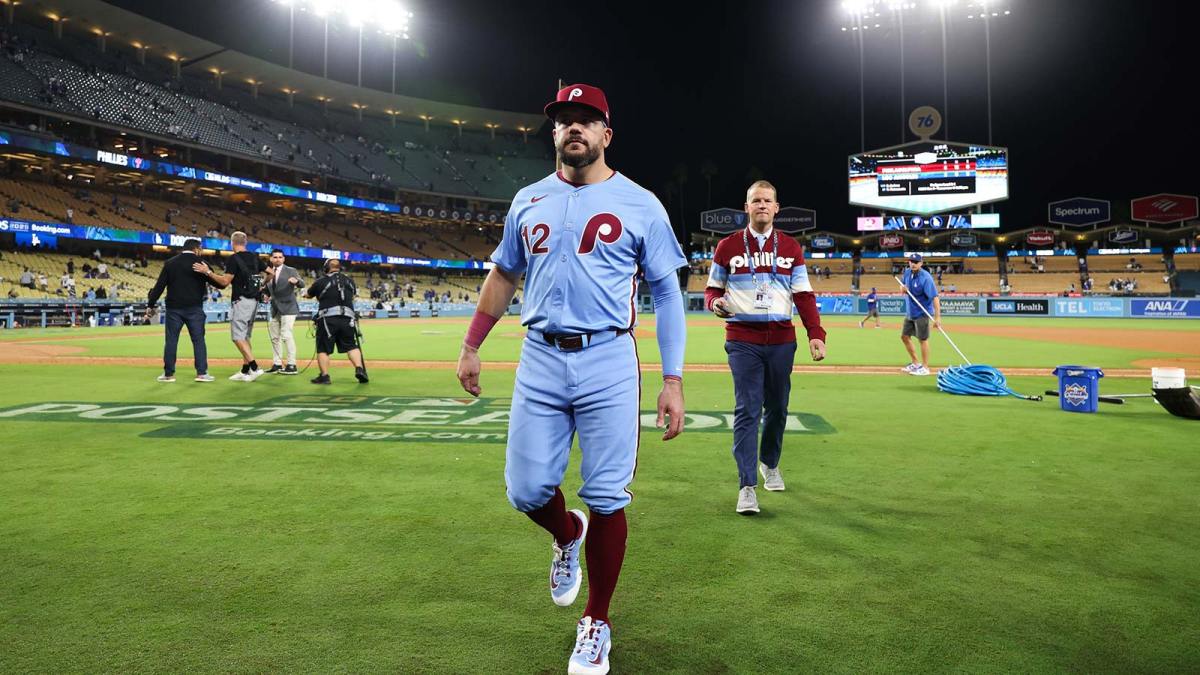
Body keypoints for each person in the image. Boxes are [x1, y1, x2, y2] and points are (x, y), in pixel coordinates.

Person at [454, 83, 686, 675]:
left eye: (587, 120)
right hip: (540, 357)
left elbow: (666, 292)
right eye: (564, 121)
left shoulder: (642, 202)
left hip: (609, 357)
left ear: (606, 134)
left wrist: (673, 378)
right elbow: (505, 276)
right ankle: (566, 533)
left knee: (609, 495)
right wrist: (471, 344)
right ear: (554, 134)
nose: (574, 129)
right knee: (526, 491)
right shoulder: (527, 199)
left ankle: (597, 620)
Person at [705, 181, 826, 515]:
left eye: (767, 200)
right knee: (747, 408)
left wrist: (816, 333)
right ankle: (746, 486)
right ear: (747, 207)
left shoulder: (790, 247)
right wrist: (716, 305)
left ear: (776, 207)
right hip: (743, 339)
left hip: (782, 341)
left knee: (778, 408)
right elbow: (712, 290)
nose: (761, 205)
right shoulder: (727, 246)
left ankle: (769, 463)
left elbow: (803, 295)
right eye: (755, 200)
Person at [192, 231, 268, 381]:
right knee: (245, 337)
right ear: (245, 242)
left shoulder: (234, 259)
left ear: (232, 243)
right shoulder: (254, 257)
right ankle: (245, 371)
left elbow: (224, 282)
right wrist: (260, 286)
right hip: (254, 301)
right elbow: (270, 272)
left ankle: (254, 367)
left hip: (241, 301)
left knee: (237, 337)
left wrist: (207, 272)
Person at [145, 239, 214, 383]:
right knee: (198, 340)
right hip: (194, 308)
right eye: (200, 249)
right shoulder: (201, 263)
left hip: (173, 308)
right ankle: (201, 373)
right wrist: (207, 271)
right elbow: (217, 282)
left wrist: (150, 304)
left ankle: (168, 374)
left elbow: (159, 286)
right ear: (196, 249)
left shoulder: (170, 263)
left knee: (171, 340)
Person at [305, 259, 367, 384]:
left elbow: (308, 295)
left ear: (326, 268)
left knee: (323, 349)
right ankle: (359, 369)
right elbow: (353, 296)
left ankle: (325, 376)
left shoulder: (320, 281)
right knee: (351, 345)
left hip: (328, 319)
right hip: (348, 318)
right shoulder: (350, 281)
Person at [263, 249, 304, 375]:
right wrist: (266, 294)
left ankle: (292, 364)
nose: (277, 259)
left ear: (284, 259)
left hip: (288, 308)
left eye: (280, 257)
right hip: (275, 308)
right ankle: (277, 364)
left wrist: (296, 282)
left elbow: (302, 283)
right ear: (271, 259)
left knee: (286, 335)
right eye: (275, 257)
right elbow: (268, 288)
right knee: (275, 338)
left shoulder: (290, 270)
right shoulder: (268, 272)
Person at [900, 253, 940, 376]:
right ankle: (915, 363)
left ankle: (925, 367)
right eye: (911, 261)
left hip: (922, 312)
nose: (913, 264)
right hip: (910, 312)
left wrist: (937, 318)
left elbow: (935, 298)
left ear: (921, 263)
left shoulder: (926, 278)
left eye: (916, 262)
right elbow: (902, 287)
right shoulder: (907, 272)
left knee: (922, 339)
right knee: (904, 336)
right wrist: (903, 289)